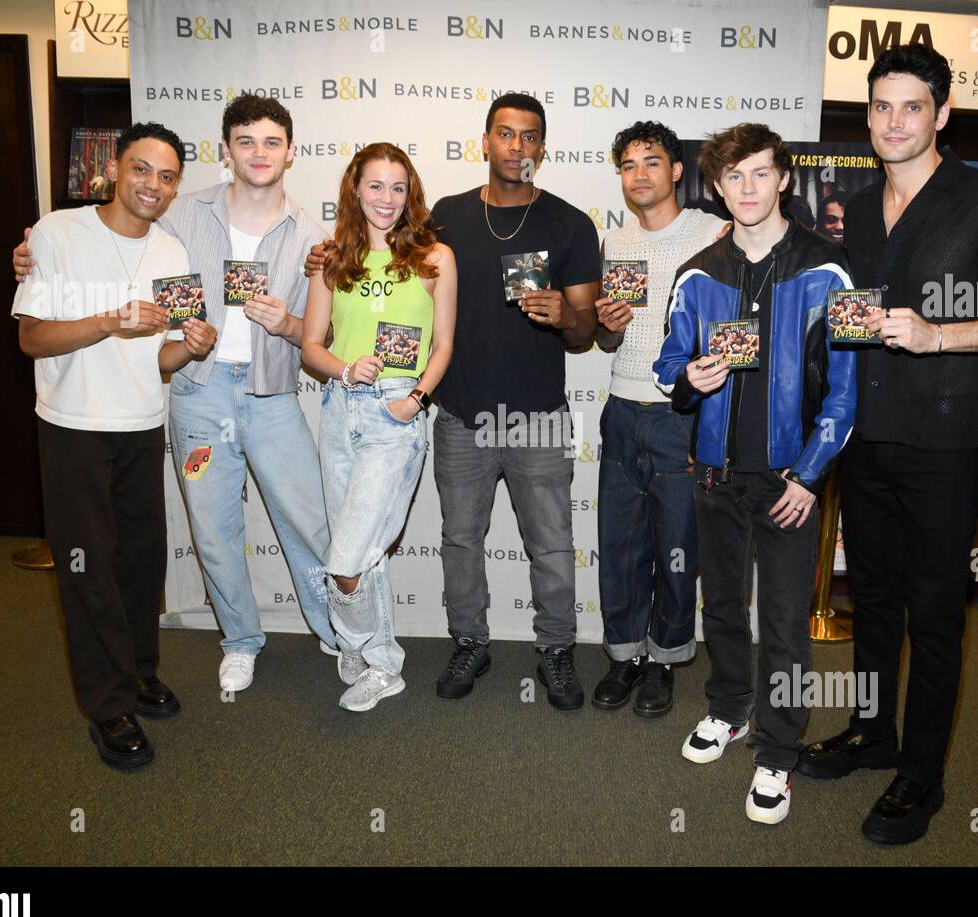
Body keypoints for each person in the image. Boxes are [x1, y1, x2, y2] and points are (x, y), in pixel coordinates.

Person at [797, 44, 978, 844]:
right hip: (866, 442)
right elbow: (849, 317)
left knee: (935, 614)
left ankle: (923, 776)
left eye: (912, 106)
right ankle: (872, 734)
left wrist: (938, 336)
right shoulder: (853, 201)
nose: (894, 121)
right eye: (881, 106)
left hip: (945, 443)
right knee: (871, 602)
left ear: (941, 114)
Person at [16, 96, 342, 696]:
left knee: (310, 525)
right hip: (197, 392)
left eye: (273, 143)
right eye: (247, 141)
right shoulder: (176, 218)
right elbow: (110, 239)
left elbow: (324, 337)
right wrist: (32, 258)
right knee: (214, 531)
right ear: (227, 151)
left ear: (291, 154)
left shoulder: (314, 239)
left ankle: (337, 632)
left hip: (271, 396)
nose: (260, 153)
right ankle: (241, 641)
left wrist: (289, 325)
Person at [307, 94, 599, 710]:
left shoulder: (571, 223)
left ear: (542, 148)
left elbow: (586, 334)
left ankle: (556, 651)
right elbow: (388, 266)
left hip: (537, 415)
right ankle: (471, 641)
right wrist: (325, 259)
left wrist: (566, 315)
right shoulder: (447, 216)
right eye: (505, 134)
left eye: (529, 137)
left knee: (549, 541)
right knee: (460, 539)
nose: (516, 146)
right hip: (460, 412)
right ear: (485, 141)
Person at [654, 122, 856, 825]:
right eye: (734, 177)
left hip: (791, 482)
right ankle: (729, 709)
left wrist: (809, 477)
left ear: (784, 180)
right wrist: (691, 377)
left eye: (761, 174)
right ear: (716, 186)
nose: (748, 189)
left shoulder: (835, 267)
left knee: (784, 623)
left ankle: (778, 750)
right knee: (723, 607)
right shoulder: (697, 272)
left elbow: (850, 387)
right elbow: (668, 365)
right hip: (713, 474)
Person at [12, 122, 218, 770]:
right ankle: (107, 709)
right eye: (141, 169)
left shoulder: (173, 255)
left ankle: (136, 674)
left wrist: (194, 345)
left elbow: (161, 360)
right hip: (73, 425)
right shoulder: (55, 234)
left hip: (139, 424)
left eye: (165, 175)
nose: (152, 185)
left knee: (139, 563)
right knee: (86, 569)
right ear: (114, 169)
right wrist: (107, 320)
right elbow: (32, 339)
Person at [301, 143, 455, 711]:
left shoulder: (435, 257)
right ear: (355, 189)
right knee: (364, 554)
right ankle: (370, 655)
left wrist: (415, 398)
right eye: (375, 186)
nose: (386, 199)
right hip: (342, 408)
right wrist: (345, 367)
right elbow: (311, 347)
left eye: (397, 187)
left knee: (345, 561)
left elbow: (444, 346)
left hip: (396, 415)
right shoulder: (331, 260)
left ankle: (370, 653)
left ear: (409, 193)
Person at [591, 120, 726, 717]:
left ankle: (666, 658)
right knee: (620, 544)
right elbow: (600, 338)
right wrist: (607, 326)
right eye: (627, 165)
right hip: (622, 409)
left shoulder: (713, 233)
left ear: (676, 170)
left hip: (681, 413)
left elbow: (730, 327)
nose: (639, 175)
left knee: (677, 545)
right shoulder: (614, 242)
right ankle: (625, 657)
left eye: (651, 162)